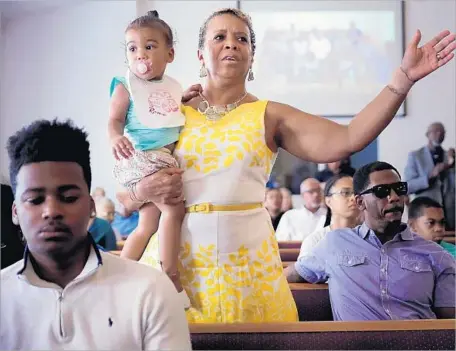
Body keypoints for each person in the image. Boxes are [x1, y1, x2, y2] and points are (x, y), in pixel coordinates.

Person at [118, 7, 455, 323]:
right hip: (176, 258)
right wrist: (142, 190)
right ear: (200, 55)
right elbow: (128, 194)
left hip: (246, 262)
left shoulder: (270, 114)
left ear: (251, 55)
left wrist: (401, 81)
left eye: (242, 38)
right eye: (219, 37)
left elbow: (349, 137)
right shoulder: (169, 110)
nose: (231, 44)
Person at [0, 120, 191, 350]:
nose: (51, 211)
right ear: (15, 212)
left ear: (91, 207)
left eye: (68, 197)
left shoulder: (150, 291)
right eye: (35, 200)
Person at [287, 162, 455, 321]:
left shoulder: (436, 254)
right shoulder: (335, 243)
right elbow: (293, 274)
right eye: (382, 191)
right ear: (360, 202)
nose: (394, 197)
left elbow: (449, 322)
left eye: (399, 189)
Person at [108, 11, 188, 305]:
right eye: (132, 48)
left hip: (151, 158)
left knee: (147, 225)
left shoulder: (172, 87)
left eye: (149, 46)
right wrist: (115, 137)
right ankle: (171, 276)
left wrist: (186, 97)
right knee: (174, 212)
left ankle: (117, 275)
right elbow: (115, 120)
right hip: (143, 156)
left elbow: (171, 111)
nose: (140, 54)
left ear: (170, 54)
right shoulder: (125, 84)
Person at [294, 174, 360, 259]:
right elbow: (304, 271)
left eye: (357, 193)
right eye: (345, 193)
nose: (353, 198)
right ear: (328, 201)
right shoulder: (316, 241)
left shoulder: (371, 238)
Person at [404, 122, 455, 230]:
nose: (439, 134)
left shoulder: (449, 157)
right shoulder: (415, 156)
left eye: (442, 132)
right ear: (427, 134)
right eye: (436, 131)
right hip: (425, 217)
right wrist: (431, 175)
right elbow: (408, 186)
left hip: (450, 217)